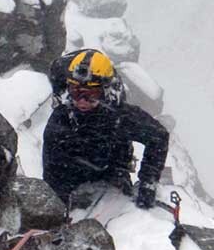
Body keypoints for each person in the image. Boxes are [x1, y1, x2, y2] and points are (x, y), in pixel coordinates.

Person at [42, 49, 169, 209]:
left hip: (113, 178)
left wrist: (148, 183)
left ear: (105, 92)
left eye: (90, 94)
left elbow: (159, 136)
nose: (82, 101)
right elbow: (51, 172)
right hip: (71, 182)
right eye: (76, 92)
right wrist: (60, 206)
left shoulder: (120, 117)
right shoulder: (61, 120)